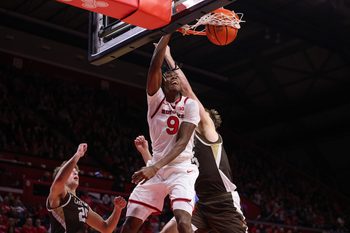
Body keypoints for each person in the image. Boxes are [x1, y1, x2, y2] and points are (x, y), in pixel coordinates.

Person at [135, 45, 248, 233]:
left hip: (223, 202)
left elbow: (188, 92)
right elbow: (162, 168)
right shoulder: (182, 141)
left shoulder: (208, 133)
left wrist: (169, 57)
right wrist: (145, 152)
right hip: (200, 203)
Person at [120, 34, 200, 233]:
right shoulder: (156, 102)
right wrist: (167, 33)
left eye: (177, 77)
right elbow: (154, 67)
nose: (174, 79)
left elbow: (182, 143)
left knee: (182, 221)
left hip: (181, 169)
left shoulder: (190, 105)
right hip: (156, 167)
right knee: (129, 225)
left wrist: (154, 167)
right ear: (163, 82)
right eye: (170, 77)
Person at [46, 143, 126, 233]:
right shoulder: (58, 194)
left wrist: (117, 209)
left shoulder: (83, 206)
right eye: (72, 171)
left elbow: (106, 228)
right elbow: (59, 181)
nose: (76, 173)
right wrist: (78, 155)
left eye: (76, 171)